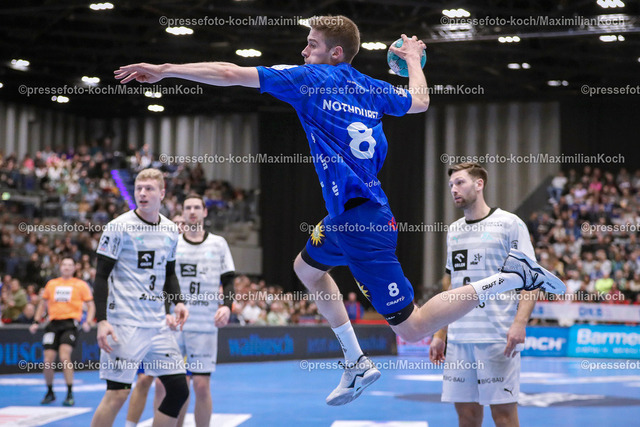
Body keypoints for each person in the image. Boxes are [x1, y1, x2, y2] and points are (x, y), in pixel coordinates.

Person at [115, 15, 565, 406]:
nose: (302, 51)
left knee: (411, 328)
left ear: (334, 53)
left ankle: (512, 277)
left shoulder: (309, 79)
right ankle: (355, 360)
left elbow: (231, 72)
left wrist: (166, 70)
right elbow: (421, 101)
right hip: (346, 218)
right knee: (305, 268)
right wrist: (413, 59)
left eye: (310, 44)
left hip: (363, 223)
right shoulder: (371, 88)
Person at [429, 163, 540, 427]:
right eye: (451, 185)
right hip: (459, 340)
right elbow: (451, 286)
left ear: (479, 184)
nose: (454, 189)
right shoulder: (454, 230)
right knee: (466, 417)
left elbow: (532, 279)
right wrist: (441, 334)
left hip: (497, 338)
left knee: (503, 417)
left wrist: (520, 323)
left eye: (460, 182)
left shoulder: (509, 224)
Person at [125, 193, 235, 427]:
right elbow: (163, 280)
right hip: (173, 325)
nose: (192, 212)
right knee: (166, 385)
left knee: (201, 386)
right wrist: (165, 311)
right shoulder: (172, 242)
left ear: (205, 212)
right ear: (183, 213)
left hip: (204, 325)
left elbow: (228, 280)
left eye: (197, 207)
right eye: (188, 208)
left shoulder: (218, 243)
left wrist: (227, 307)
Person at [91, 168, 190, 427]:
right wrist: (102, 320)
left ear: (162, 193)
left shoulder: (170, 230)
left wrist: (178, 301)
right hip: (124, 323)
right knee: (117, 394)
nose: (142, 193)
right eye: (139, 188)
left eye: (149, 189)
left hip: (157, 324)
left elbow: (169, 272)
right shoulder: (118, 227)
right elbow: (101, 277)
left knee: (179, 389)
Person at [29, 257, 95, 406]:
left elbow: (91, 305)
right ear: (60, 267)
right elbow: (42, 304)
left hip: (70, 324)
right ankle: (50, 392)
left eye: (70, 265)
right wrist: (36, 321)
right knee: (47, 360)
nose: (66, 267)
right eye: (64, 264)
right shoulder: (52, 284)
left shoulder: (80, 284)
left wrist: (88, 321)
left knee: (65, 357)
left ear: (74, 268)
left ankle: (69, 393)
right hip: (53, 324)